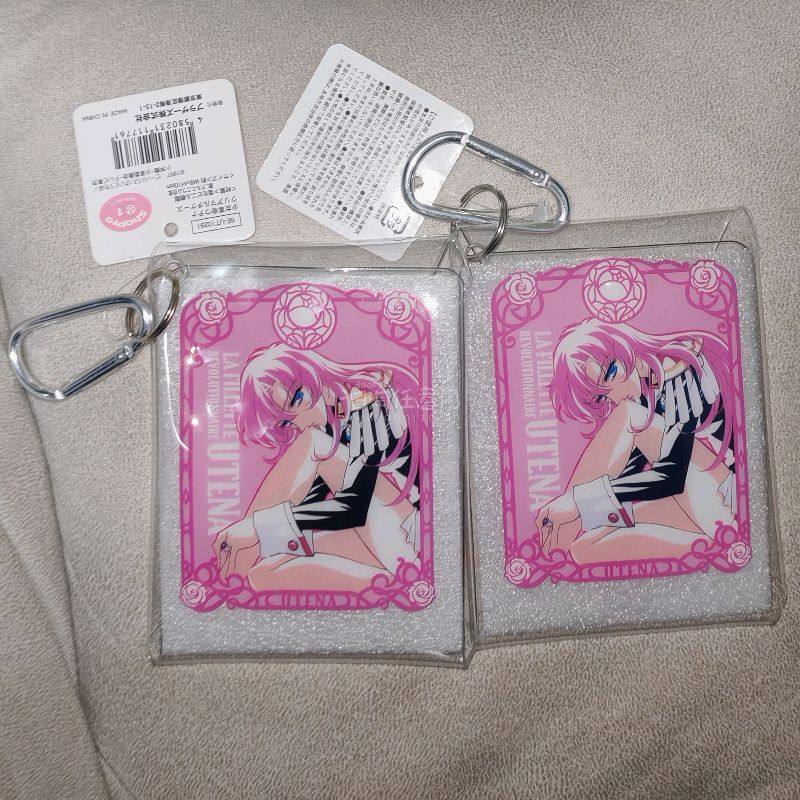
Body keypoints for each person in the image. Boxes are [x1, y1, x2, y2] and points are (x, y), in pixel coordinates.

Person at [212, 343, 421, 593]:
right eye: (286, 422)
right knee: (262, 574)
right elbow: (309, 502)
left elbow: (354, 508)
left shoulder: (368, 400)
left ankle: (232, 564)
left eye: (297, 399)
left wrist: (258, 527)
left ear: (312, 373)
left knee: (311, 442)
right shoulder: (330, 428)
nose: (300, 421)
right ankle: (400, 586)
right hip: (386, 540)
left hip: (411, 535)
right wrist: (262, 534)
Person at [535, 318, 736, 564]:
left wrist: (578, 501)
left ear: (627, 347)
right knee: (584, 548)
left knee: (628, 415)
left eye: (611, 372)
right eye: (601, 397)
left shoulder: (683, 366)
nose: (615, 395)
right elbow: (627, 471)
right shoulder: (647, 390)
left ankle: (557, 534)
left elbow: (671, 477)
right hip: (704, 510)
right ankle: (718, 549)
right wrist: (582, 507)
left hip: (727, 501)